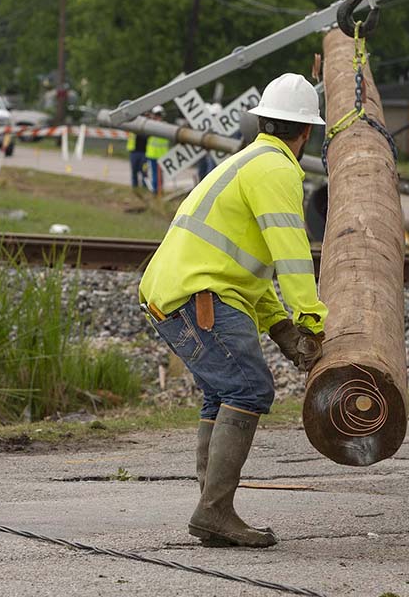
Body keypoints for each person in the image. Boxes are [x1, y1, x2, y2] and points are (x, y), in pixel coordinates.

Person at [138, 73, 329, 548]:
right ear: (306, 132)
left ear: (263, 120)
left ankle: (212, 510)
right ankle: (215, 511)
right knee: (248, 387)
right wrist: (309, 320)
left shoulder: (247, 160)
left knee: (222, 393)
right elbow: (291, 254)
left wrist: (279, 326)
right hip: (198, 294)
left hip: (178, 291)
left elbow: (248, 266)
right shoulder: (277, 170)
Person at [145, 105, 169, 194]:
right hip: (152, 155)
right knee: (154, 175)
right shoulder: (150, 125)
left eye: (159, 114)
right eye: (156, 114)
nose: (158, 116)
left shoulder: (165, 125)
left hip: (162, 155)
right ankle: (155, 191)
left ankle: (159, 190)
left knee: (159, 175)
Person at [126, 112, 150, 190]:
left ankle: (144, 187)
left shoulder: (149, 126)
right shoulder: (133, 125)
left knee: (144, 171)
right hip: (134, 151)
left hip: (145, 152)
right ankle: (135, 187)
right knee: (134, 171)